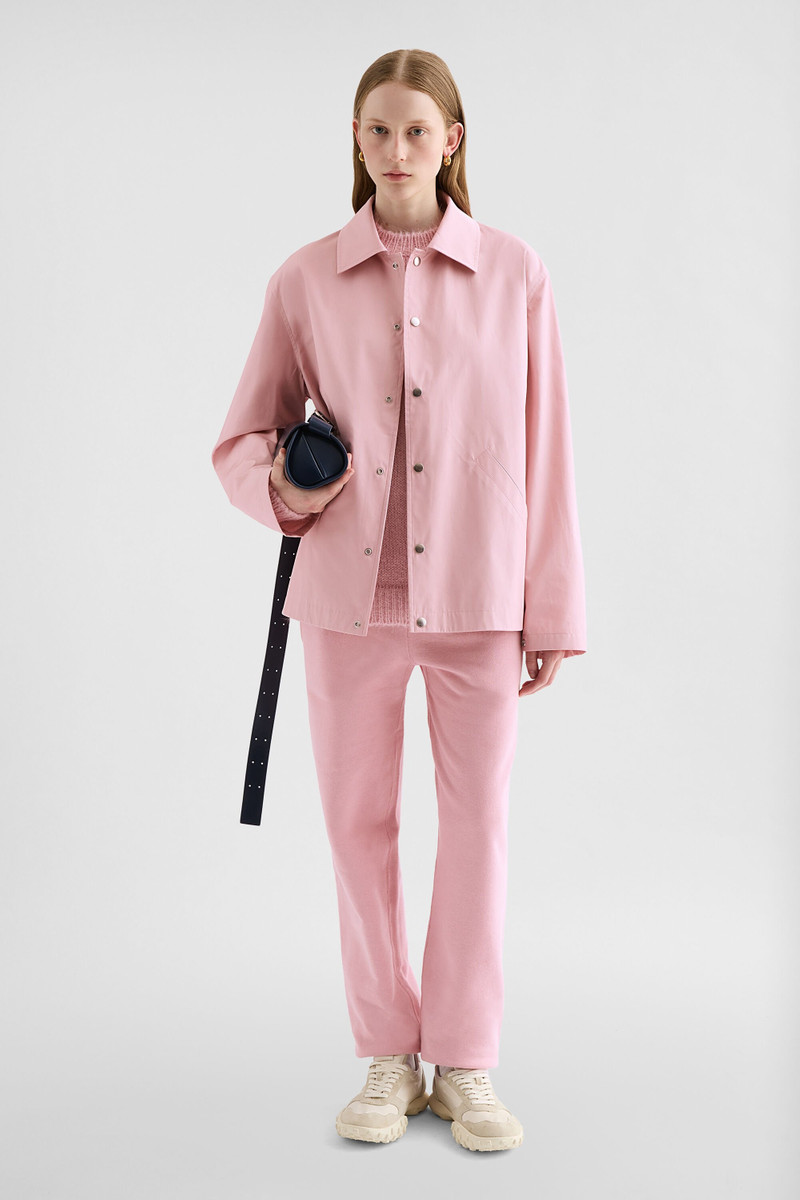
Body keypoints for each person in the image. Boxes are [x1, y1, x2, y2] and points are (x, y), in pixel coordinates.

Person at [211, 48, 587, 1153]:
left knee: (477, 828)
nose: (395, 149)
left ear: (451, 141)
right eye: (377, 130)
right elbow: (240, 437)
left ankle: (464, 1060)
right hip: (345, 604)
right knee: (356, 828)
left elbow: (547, 450)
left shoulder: (515, 273)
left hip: (478, 601)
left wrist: (553, 609)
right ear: (356, 139)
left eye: (416, 130)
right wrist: (283, 486)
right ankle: (387, 1055)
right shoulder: (304, 280)